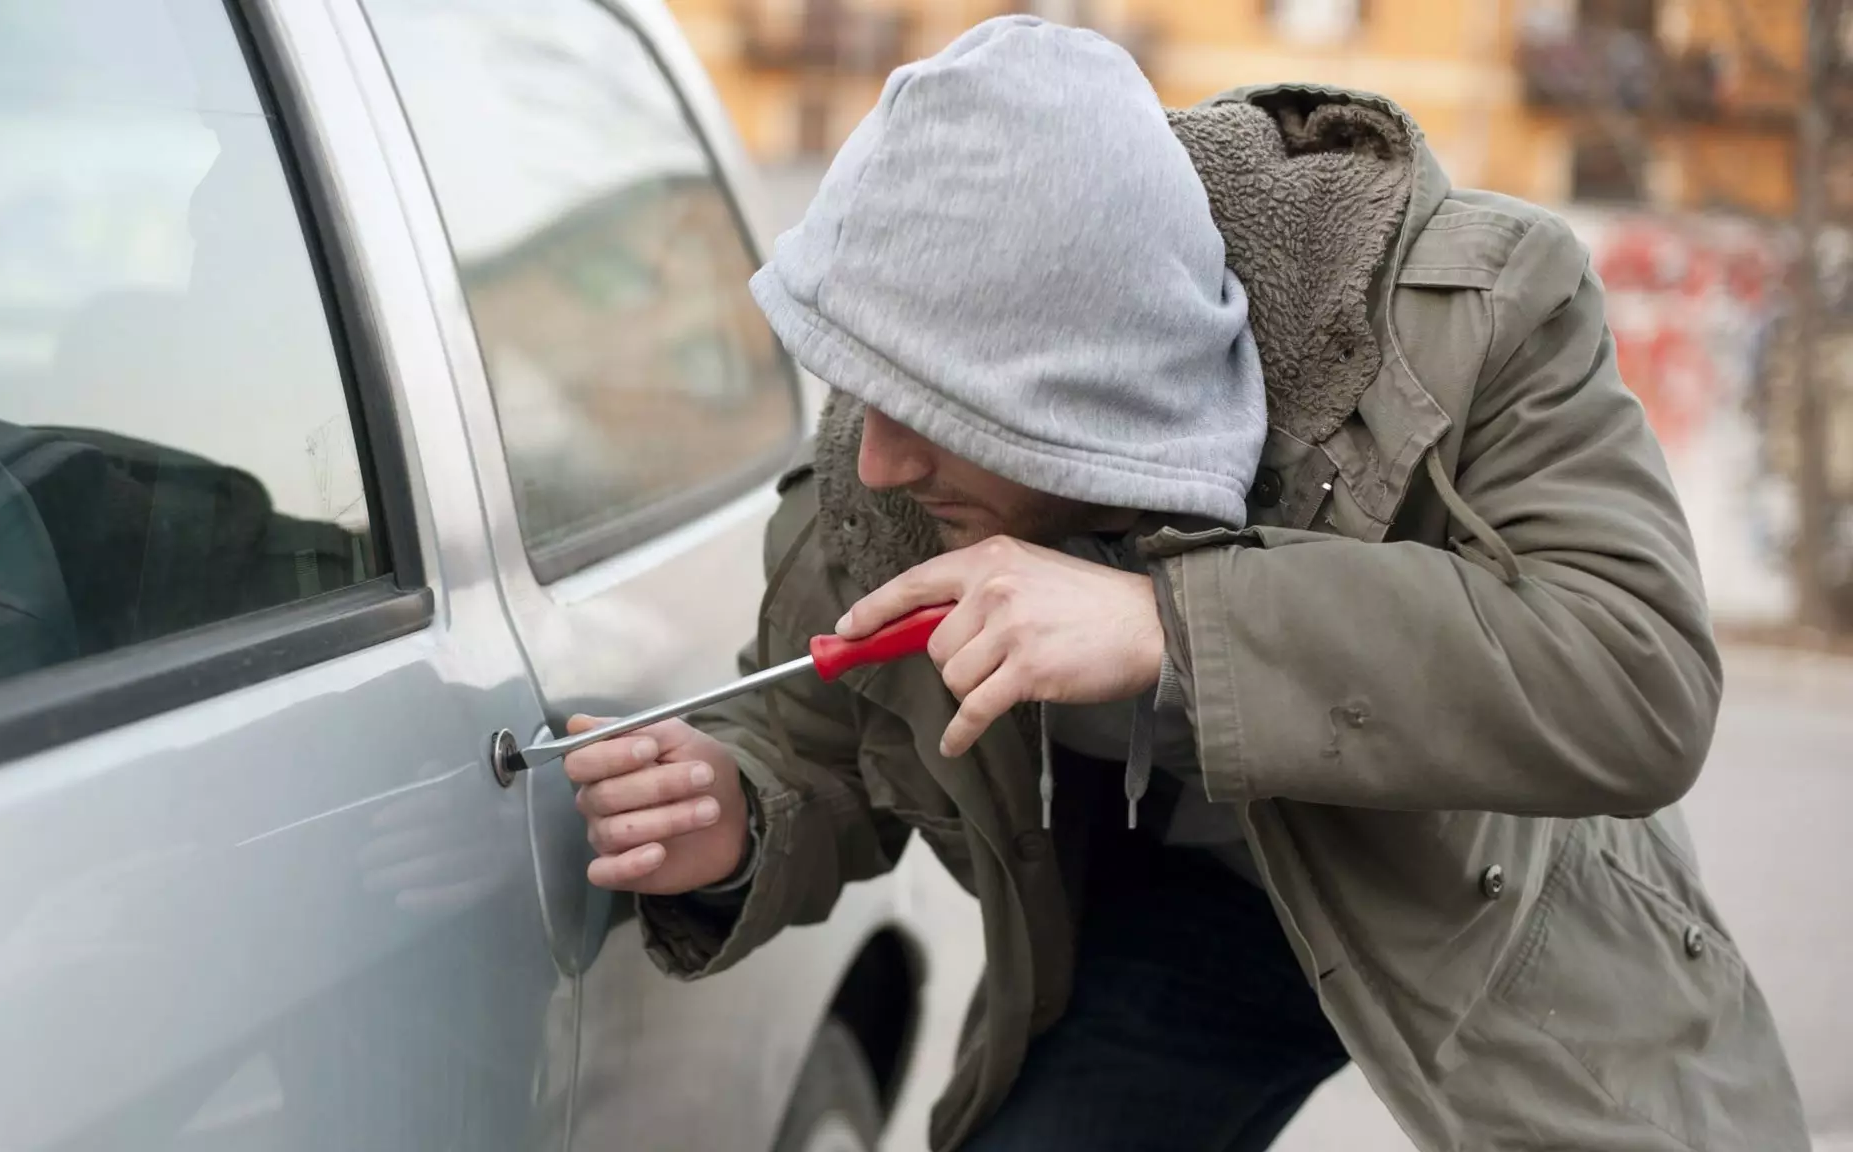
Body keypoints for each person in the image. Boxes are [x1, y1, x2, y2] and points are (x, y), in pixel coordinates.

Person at [564, 16, 1808, 1152]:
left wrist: (1170, 625)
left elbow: (1632, 675)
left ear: (1081, 389)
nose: (878, 456)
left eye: (933, 412)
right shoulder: (883, 469)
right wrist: (738, 810)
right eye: (864, 390)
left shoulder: (1475, 311)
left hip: (1486, 892)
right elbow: (821, 738)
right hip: (1184, 920)